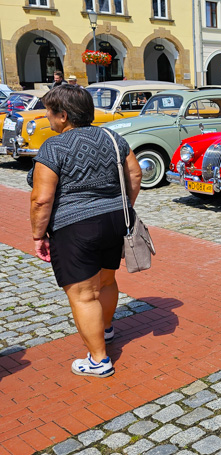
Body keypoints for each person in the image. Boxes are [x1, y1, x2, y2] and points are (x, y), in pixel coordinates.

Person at [28, 85, 143, 377]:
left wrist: (38, 235)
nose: (47, 117)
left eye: (49, 112)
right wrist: (123, 206)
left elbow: (42, 199)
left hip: (76, 226)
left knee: (83, 294)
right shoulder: (112, 137)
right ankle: (104, 329)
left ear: (63, 115)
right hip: (115, 219)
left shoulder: (54, 147)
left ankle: (98, 360)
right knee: (105, 281)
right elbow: (135, 173)